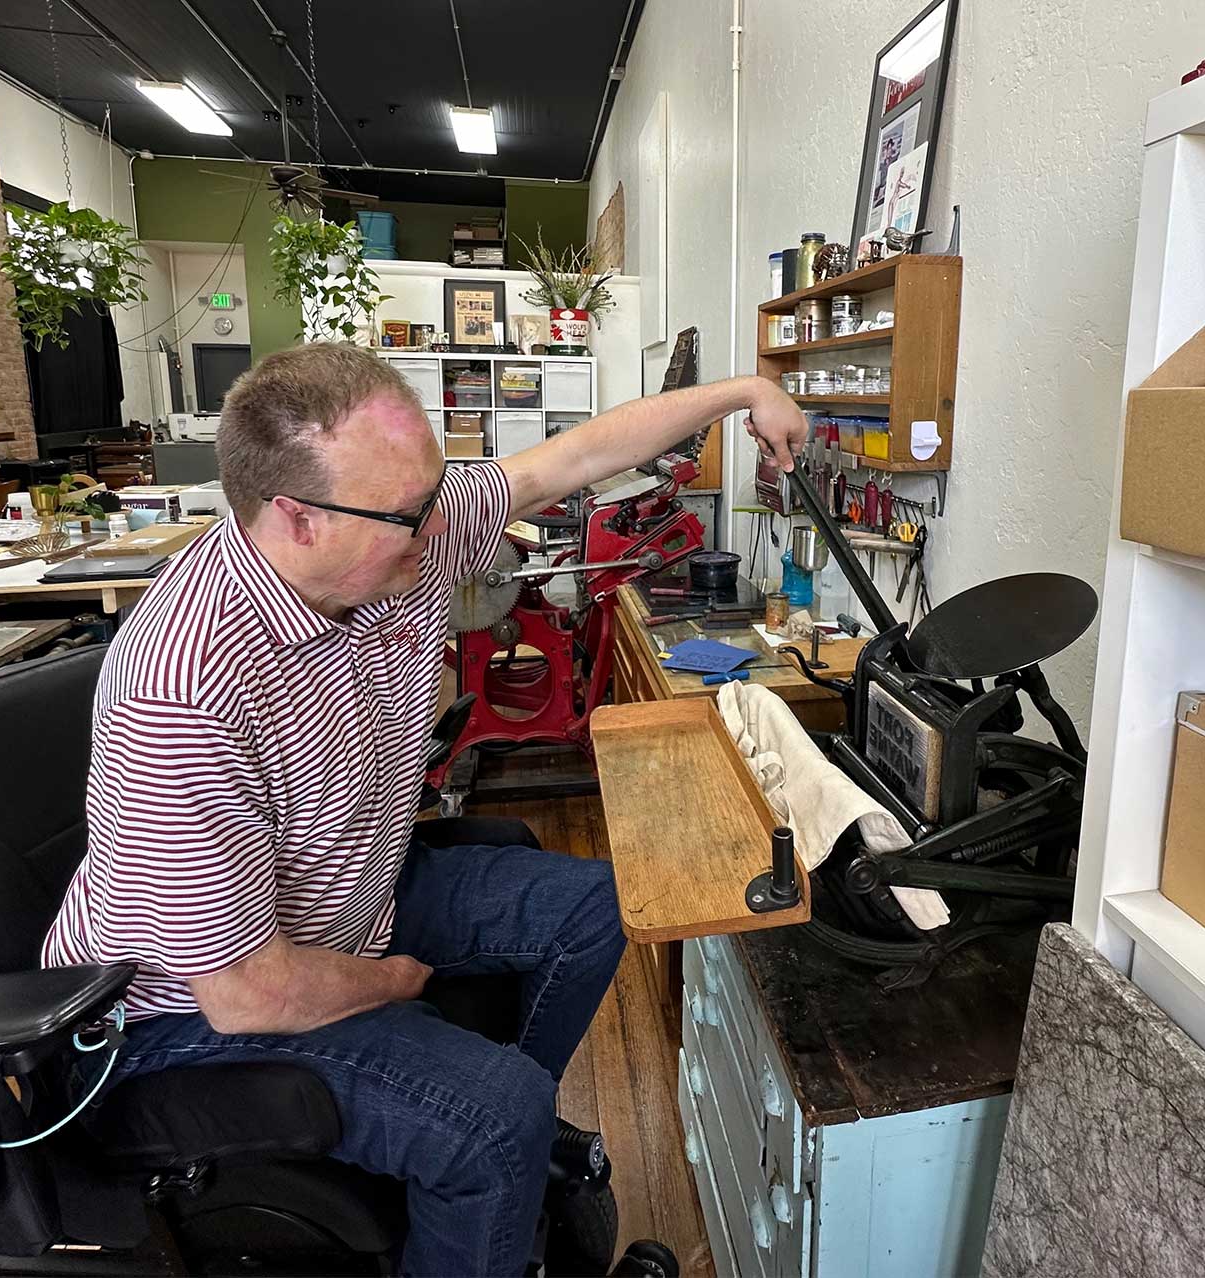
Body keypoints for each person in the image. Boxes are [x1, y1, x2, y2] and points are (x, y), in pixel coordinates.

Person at [41, 341, 808, 1277]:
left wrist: (745, 389)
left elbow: (567, 460)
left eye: (437, 495)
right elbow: (251, 994)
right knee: (492, 1119)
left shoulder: (402, 531)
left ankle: (482, 1170)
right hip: (178, 1021)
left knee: (594, 914)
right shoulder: (185, 688)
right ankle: (489, 1150)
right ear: (296, 518)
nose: (439, 527)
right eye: (410, 515)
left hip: (341, 906)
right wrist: (401, 986)